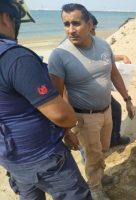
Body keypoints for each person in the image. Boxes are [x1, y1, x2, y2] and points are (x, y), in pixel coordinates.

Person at [0, 0, 91, 199]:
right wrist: (70, 124)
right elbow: (61, 115)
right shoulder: (16, 59)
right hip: (44, 158)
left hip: (10, 158)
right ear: (7, 18)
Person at [48, 3, 135, 200]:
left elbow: (114, 73)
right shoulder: (60, 55)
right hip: (83, 117)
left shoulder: (103, 45)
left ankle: (99, 177)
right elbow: (55, 96)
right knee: (92, 155)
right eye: (66, 24)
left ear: (89, 24)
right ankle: (95, 188)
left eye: (76, 23)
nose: (71, 30)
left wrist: (127, 99)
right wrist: (65, 129)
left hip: (106, 112)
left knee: (103, 149)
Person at [89, 12, 131, 147]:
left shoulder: (95, 44)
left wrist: (122, 56)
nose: (94, 33)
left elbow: (106, 57)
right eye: (91, 30)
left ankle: (114, 139)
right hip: (84, 100)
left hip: (102, 92)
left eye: (94, 29)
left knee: (116, 109)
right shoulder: (67, 52)